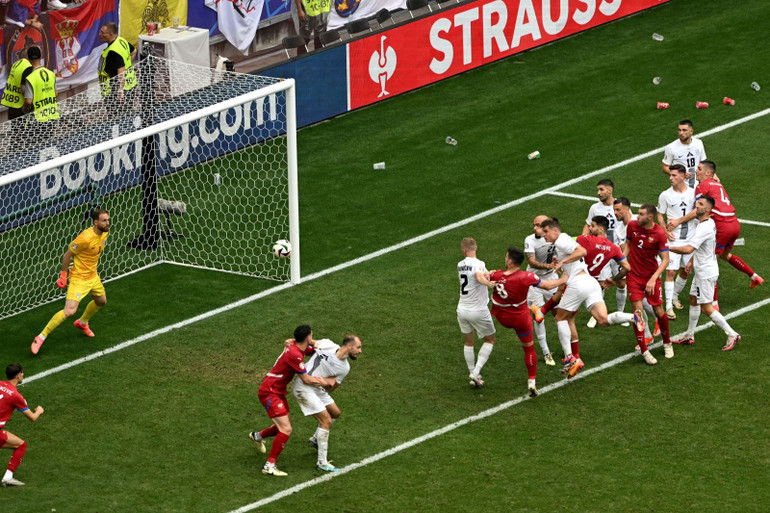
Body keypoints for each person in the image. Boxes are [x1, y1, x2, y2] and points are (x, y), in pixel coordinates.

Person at [539, 218, 641, 378]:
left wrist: (562, 262)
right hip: (591, 283)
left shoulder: (563, 239)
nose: (542, 234)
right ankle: (634, 316)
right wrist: (561, 261)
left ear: (555, 231)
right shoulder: (562, 243)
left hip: (578, 283)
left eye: (545, 231)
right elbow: (574, 256)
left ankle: (570, 358)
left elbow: (582, 252)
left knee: (560, 318)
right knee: (603, 320)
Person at [249, 325, 336, 477]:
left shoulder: (296, 348)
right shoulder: (294, 354)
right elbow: (306, 379)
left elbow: (314, 352)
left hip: (276, 391)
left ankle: (258, 436)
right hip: (270, 391)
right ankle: (269, 465)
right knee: (286, 429)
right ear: (308, 337)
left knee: (281, 426)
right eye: (312, 336)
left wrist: (326, 350)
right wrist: (326, 381)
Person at [669, 160, 763, 294]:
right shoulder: (718, 184)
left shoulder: (702, 186)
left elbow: (698, 210)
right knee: (725, 255)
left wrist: (679, 221)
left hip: (722, 225)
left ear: (708, 173)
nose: (696, 171)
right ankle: (754, 277)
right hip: (734, 224)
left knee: (709, 263)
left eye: (699, 169)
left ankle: (713, 304)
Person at [488, 247, 567, 396]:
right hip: (520, 319)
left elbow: (483, 276)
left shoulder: (497, 275)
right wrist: (563, 279)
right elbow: (548, 285)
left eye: (506, 257)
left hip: (502, 317)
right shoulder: (527, 276)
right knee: (529, 348)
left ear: (510, 261)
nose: (505, 259)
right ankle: (532, 381)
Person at [32, 209, 111, 354]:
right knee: (69, 311)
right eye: (104, 220)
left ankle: (82, 323)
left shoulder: (105, 232)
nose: (108, 223)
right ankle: (40, 337)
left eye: (108, 219)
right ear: (95, 222)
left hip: (93, 277)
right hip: (79, 279)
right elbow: (67, 255)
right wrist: (63, 275)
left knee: (101, 301)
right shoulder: (85, 238)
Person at [669, 196, 742, 350]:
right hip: (702, 269)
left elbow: (688, 249)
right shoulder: (706, 223)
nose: (697, 206)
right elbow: (701, 247)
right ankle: (689, 335)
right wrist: (691, 262)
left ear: (708, 209)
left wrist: (666, 247)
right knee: (693, 299)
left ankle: (732, 334)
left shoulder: (704, 227)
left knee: (707, 308)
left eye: (701, 204)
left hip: (706, 273)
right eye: (696, 203)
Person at [293, 334, 362, 472]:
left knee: (335, 413)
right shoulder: (327, 344)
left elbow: (333, 386)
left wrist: (326, 383)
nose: (360, 351)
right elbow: (307, 341)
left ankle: (315, 439)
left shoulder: (345, 368)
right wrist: (292, 342)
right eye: (358, 347)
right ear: (349, 346)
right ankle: (322, 462)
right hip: (303, 386)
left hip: (317, 388)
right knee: (327, 422)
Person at [625, 204, 674, 364]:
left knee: (658, 311)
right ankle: (645, 352)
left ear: (650, 217)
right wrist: (622, 259)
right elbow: (628, 244)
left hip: (651, 277)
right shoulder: (632, 226)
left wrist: (653, 278)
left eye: (640, 214)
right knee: (638, 315)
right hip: (633, 276)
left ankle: (667, 343)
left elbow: (665, 260)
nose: (636, 217)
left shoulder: (659, 233)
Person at [582, 179, 626, 327]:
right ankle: (597, 314)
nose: (598, 193)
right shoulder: (594, 208)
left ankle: (621, 312)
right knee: (600, 283)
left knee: (621, 283)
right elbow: (588, 225)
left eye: (601, 190)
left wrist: (625, 250)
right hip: (602, 251)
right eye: (598, 190)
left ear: (610, 190)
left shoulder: (620, 206)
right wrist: (585, 242)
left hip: (617, 250)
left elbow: (628, 224)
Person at [656, 164, 696, 319]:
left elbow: (697, 211)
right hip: (672, 240)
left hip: (690, 239)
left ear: (682, 176)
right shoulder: (665, 195)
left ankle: (674, 296)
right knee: (670, 271)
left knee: (686, 270)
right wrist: (665, 231)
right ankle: (667, 306)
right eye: (670, 175)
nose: (670, 178)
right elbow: (660, 215)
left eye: (673, 175)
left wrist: (680, 221)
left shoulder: (693, 193)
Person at [456, 238, 497, 387]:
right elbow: (480, 277)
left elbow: (481, 274)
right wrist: (489, 283)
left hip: (462, 310)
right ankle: (476, 372)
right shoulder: (479, 264)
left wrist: (489, 274)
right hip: (478, 310)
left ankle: (473, 374)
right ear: (476, 248)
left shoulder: (460, 265)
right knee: (490, 339)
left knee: (468, 342)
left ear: (464, 250)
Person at [1, 363, 44, 487]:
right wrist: (39, 411)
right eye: (22, 373)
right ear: (18, 375)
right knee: (21, 445)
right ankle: (8, 478)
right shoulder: (16, 396)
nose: (23, 375)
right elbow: (32, 418)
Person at [523, 215, 558, 366]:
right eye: (534, 225)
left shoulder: (554, 237)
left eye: (538, 225)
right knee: (539, 316)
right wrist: (549, 266)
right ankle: (546, 352)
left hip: (552, 278)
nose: (534, 228)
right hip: (534, 282)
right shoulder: (529, 240)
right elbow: (532, 261)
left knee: (560, 313)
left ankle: (567, 348)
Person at [97, 22, 137, 115]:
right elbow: (134, 51)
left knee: (117, 120)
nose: (100, 34)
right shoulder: (120, 40)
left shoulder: (113, 52)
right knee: (127, 116)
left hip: (115, 92)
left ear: (111, 34)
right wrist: (127, 65)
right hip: (130, 85)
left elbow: (121, 72)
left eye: (102, 33)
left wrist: (120, 92)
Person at [22, 45, 59, 133]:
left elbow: (28, 101)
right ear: (41, 57)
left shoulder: (30, 78)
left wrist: (24, 109)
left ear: (28, 59)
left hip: (37, 119)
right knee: (49, 142)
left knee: (37, 145)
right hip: (51, 115)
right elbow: (56, 93)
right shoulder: (51, 74)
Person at [662, 119, 708, 189]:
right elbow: (665, 167)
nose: (681, 133)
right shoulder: (671, 147)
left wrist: (713, 176)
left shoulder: (698, 143)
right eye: (679, 130)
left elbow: (704, 164)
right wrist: (680, 173)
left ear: (691, 131)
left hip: (697, 186)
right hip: (680, 188)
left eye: (684, 130)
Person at [1, 53, 33, 120]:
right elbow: (23, 90)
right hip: (22, 107)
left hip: (13, 104)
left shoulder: (17, 64)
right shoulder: (28, 67)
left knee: (15, 128)